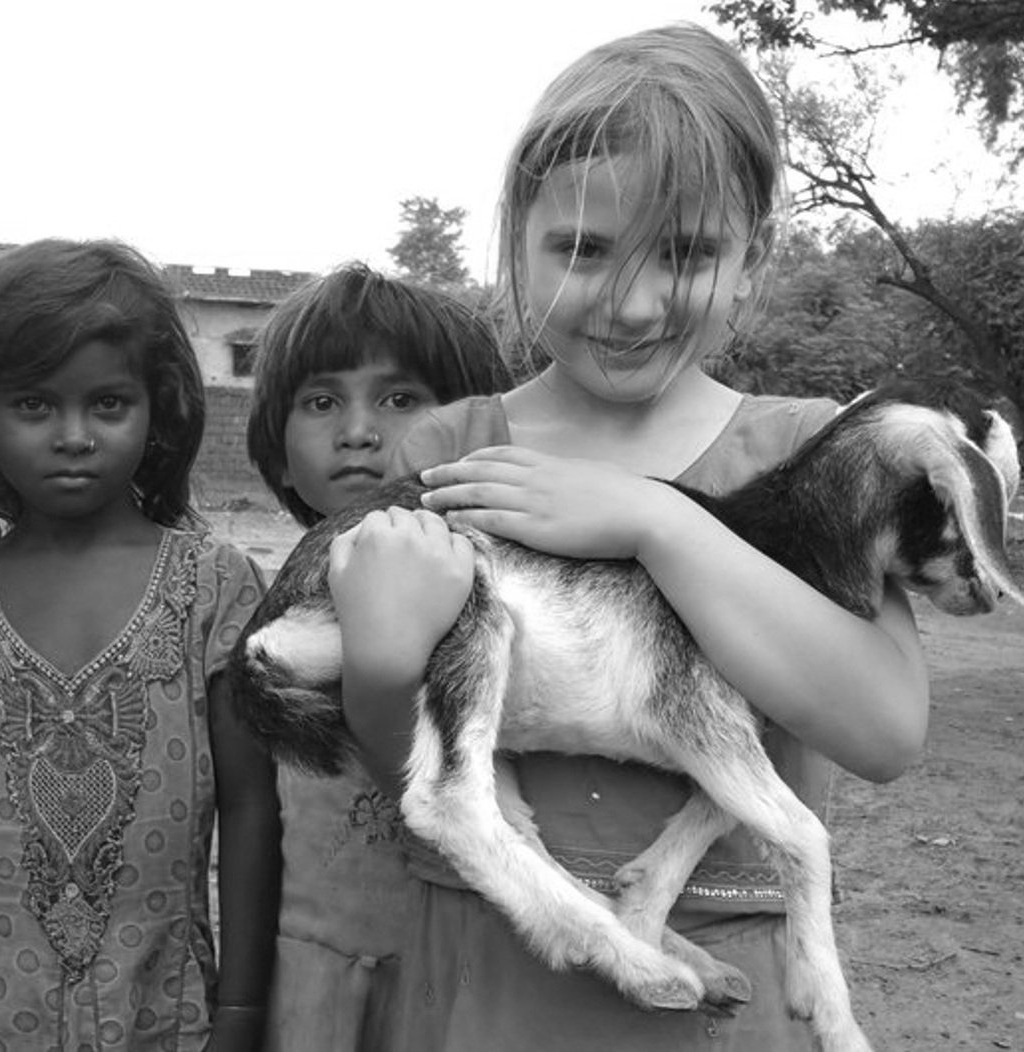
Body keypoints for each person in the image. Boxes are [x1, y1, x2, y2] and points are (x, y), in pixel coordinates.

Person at [327, 23, 930, 1052]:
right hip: (486, 971)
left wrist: (654, 521)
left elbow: (880, 730)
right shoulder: (453, 446)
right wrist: (381, 667)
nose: (631, 301)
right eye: (582, 248)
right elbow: (393, 740)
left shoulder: (805, 454)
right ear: (518, 234)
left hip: (727, 990)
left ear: (754, 256)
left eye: (687, 253)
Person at [0, 239, 281, 1051]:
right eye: (33, 406)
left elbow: (252, 810)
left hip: (169, 1015)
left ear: (158, 410)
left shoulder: (213, 587)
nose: (74, 435)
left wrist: (243, 1011)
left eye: (108, 404)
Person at [246, 261, 511, 1052]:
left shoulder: (498, 601)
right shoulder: (266, 618)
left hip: (472, 973)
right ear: (279, 452)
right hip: (312, 975)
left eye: (400, 399)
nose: (359, 430)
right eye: (322, 401)